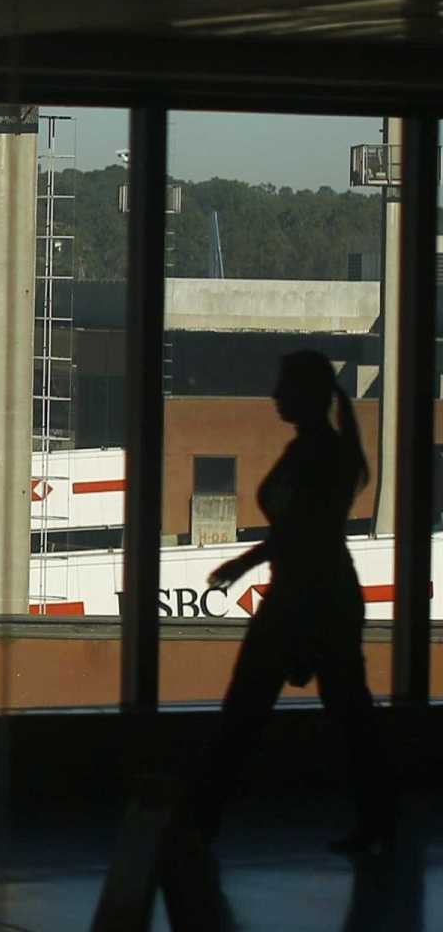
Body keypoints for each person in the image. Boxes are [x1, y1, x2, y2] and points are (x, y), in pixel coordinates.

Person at [187, 350, 393, 856]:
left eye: (285, 386)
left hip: (304, 598)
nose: (276, 395)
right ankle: (379, 822)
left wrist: (240, 565)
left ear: (308, 394)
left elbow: (300, 531)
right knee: (347, 714)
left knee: (245, 710)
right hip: (322, 597)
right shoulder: (324, 451)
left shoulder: (315, 455)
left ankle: (198, 825)